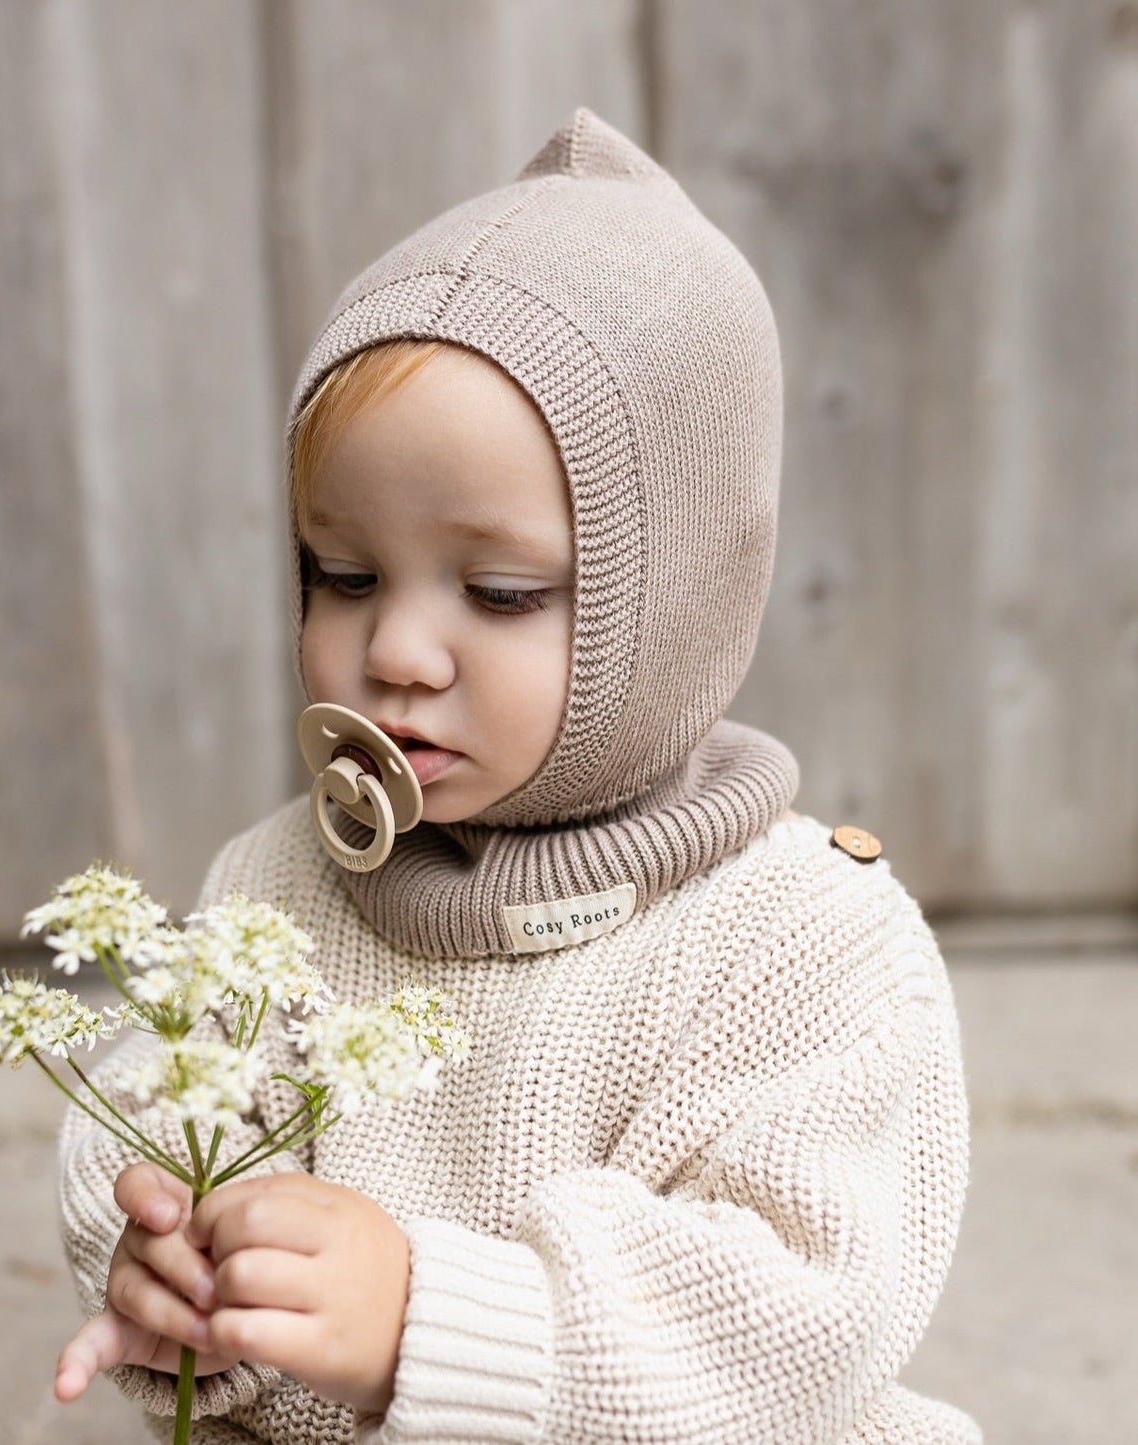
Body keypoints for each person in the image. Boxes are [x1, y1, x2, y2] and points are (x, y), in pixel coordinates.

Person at [51, 108, 980, 1444]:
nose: (397, 649)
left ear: (672, 600)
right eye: (343, 572)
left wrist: (425, 1314)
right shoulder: (276, 885)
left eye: (496, 590)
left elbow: (800, 1316)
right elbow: (159, 1097)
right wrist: (159, 1245)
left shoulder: (805, 943)